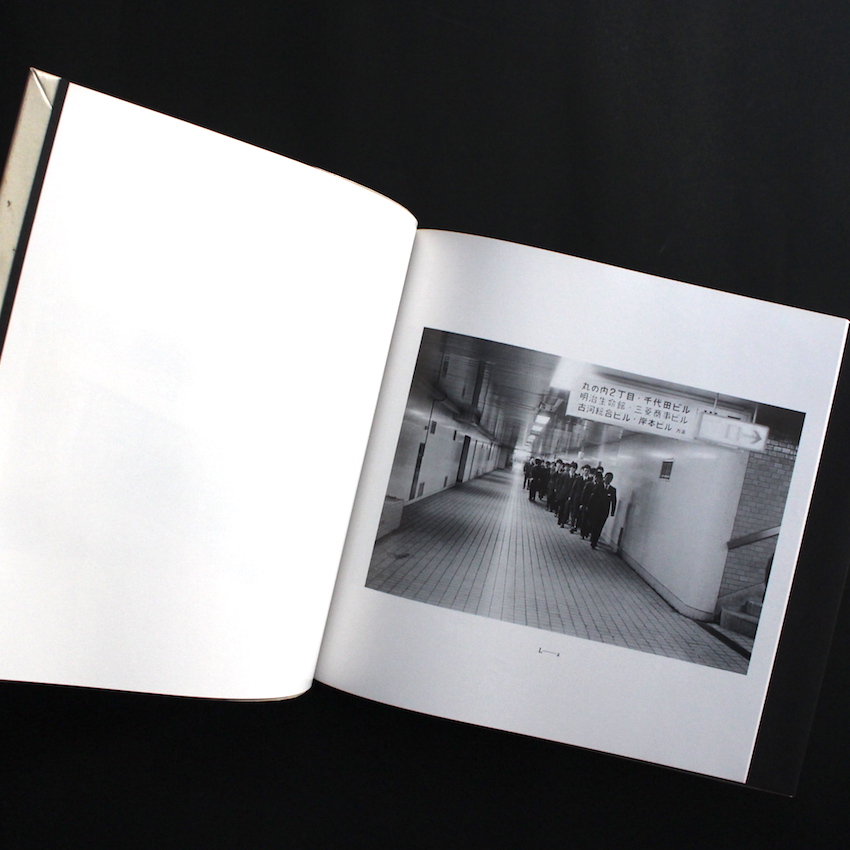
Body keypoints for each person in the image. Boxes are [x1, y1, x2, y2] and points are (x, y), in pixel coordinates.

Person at [585, 472, 617, 550]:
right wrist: (589, 507)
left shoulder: (612, 490)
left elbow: (614, 501)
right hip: (596, 510)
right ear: (604, 478)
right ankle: (592, 539)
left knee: (600, 526)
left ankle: (595, 541)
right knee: (594, 525)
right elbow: (592, 497)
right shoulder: (598, 486)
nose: (608, 480)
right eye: (607, 478)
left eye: (610, 479)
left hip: (604, 512)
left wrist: (612, 512)